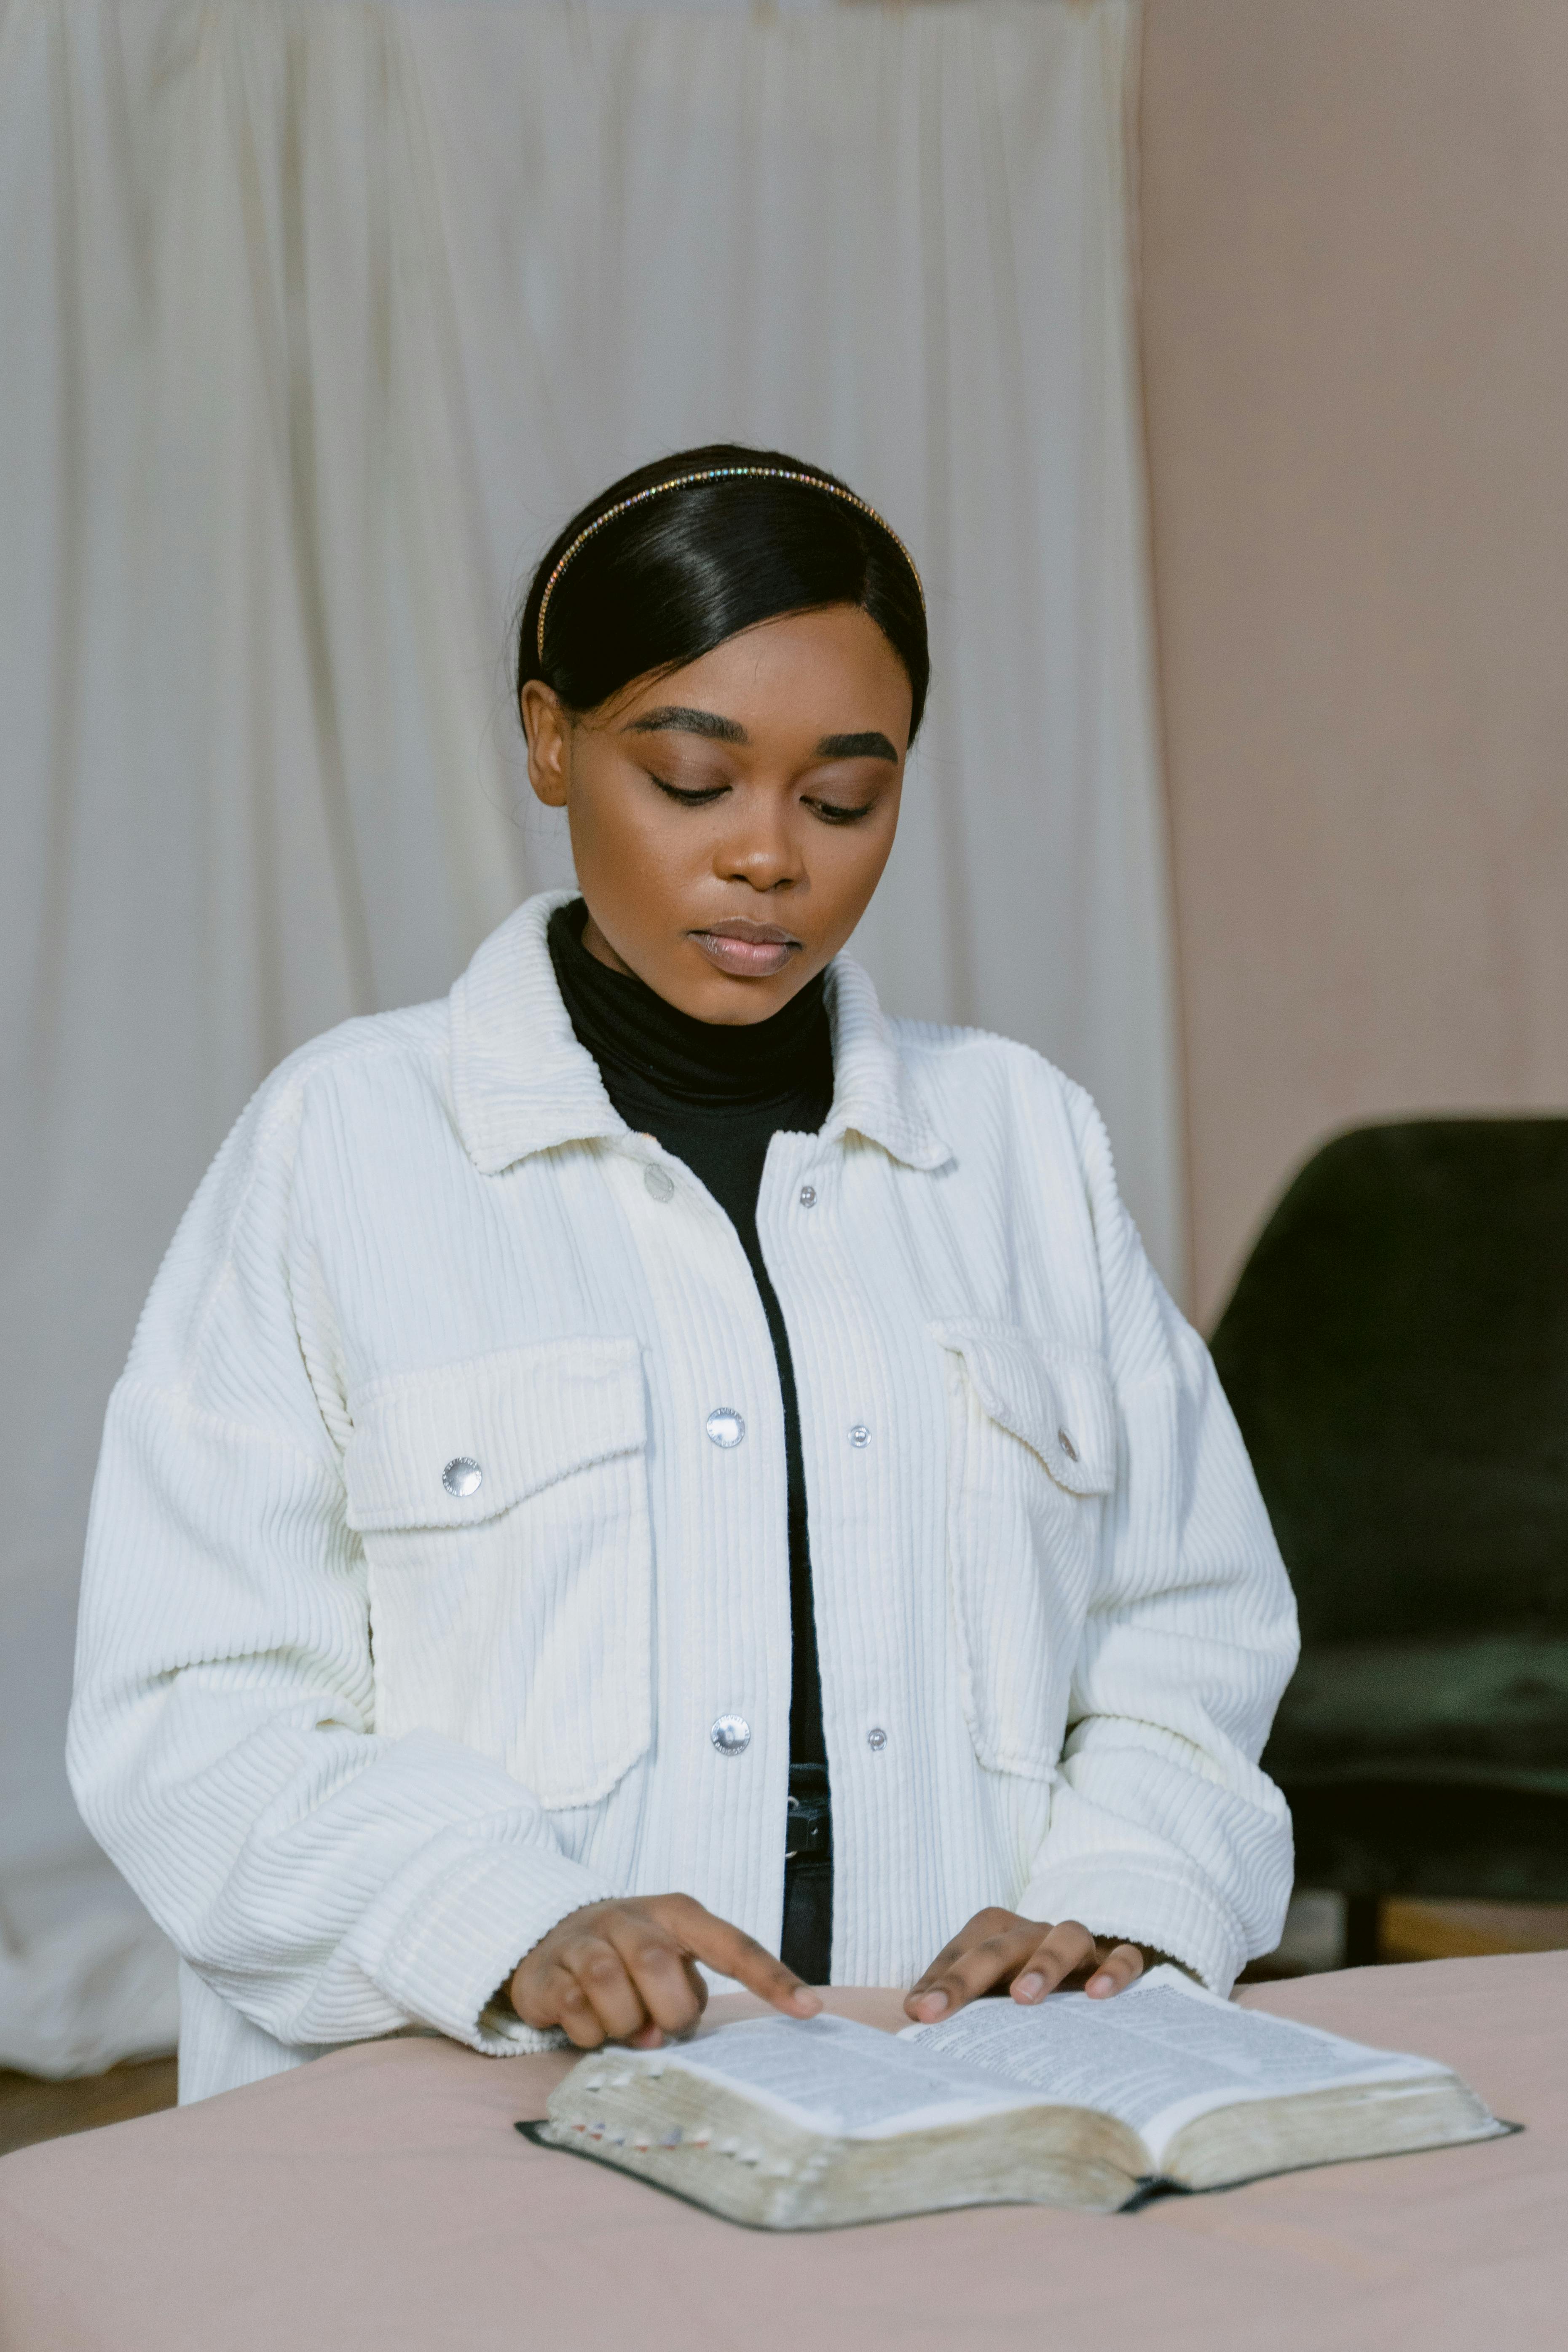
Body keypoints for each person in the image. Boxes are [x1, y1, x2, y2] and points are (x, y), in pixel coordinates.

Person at [69, 445, 1298, 2102]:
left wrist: (1118, 1908)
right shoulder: (343, 1147)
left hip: (958, 2097)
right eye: (694, 780)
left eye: (843, 797)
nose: (770, 857)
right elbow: (200, 1696)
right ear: (549, 739)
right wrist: (505, 1917)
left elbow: (1184, 1627)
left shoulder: (1021, 1144)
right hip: (464, 2102)